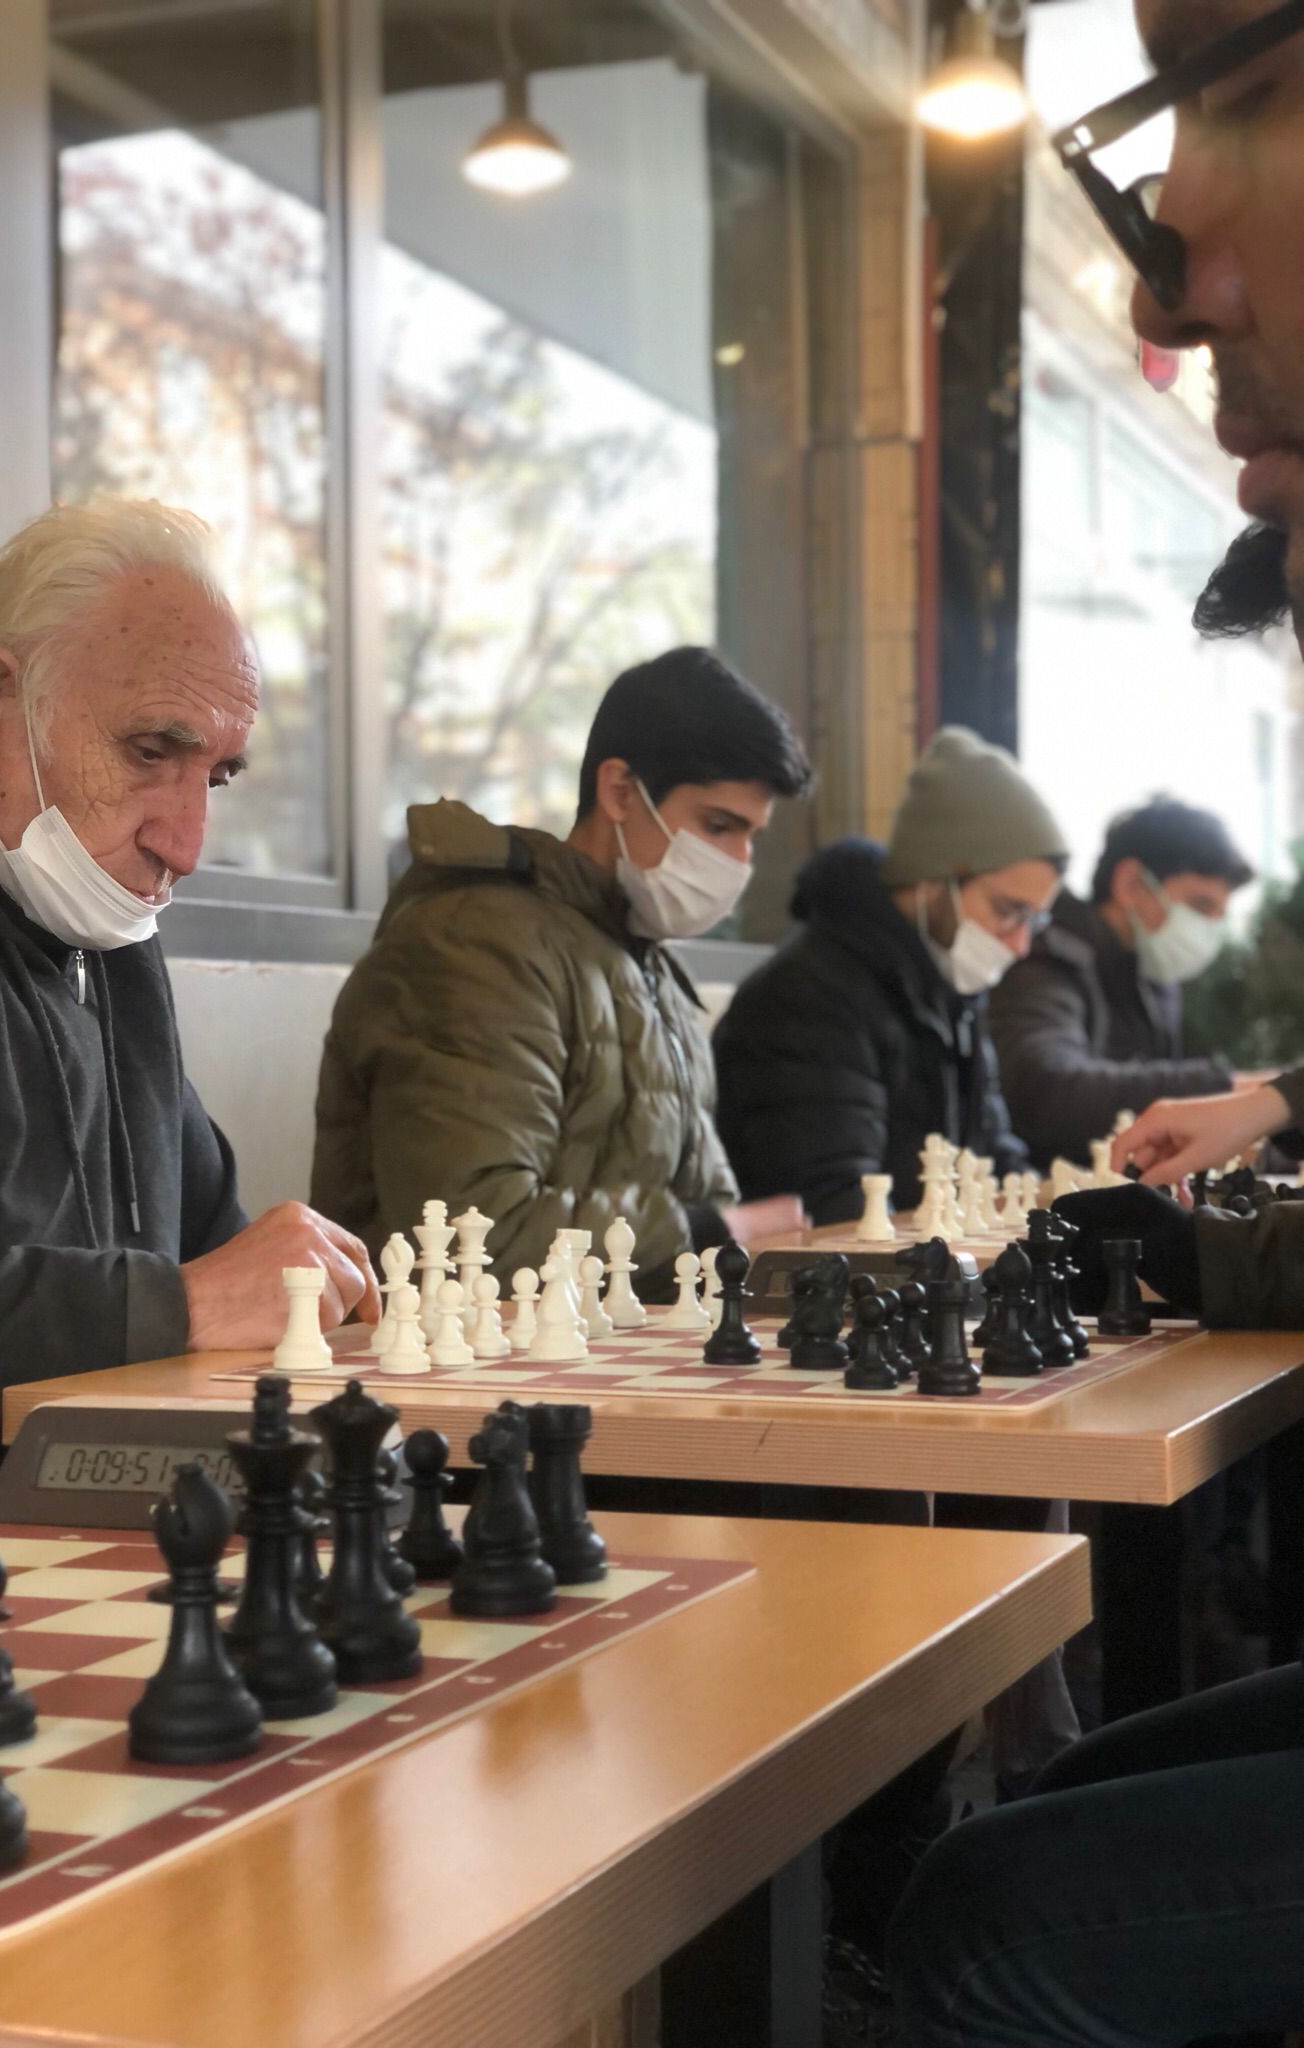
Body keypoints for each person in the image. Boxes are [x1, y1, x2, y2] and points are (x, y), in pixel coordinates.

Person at [891, 4, 1304, 2042]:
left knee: (995, 1916)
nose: (1162, 278)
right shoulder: (936, 980)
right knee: (1049, 1808)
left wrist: (1240, 1183)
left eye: (1237, 84)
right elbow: (1031, 1101)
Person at [0, 498, 375, 1477]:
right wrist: (174, 1307)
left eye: (217, 776)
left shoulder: (92, 910)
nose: (186, 843)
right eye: (150, 751)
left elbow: (220, 1257)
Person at [310, 647, 812, 1289]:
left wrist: (724, 1233)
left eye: (751, 836)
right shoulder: (478, 944)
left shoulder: (649, 967)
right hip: (454, 1347)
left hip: (608, 1338)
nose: (739, 862)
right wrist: (709, 1230)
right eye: (718, 826)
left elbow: (708, 1210)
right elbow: (474, 1235)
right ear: (620, 791)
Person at [713, 726, 1068, 1226]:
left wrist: (1068, 1215)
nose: (1021, 944)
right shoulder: (807, 998)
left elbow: (993, 1161)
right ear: (933, 880)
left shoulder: (948, 990)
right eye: (1009, 911)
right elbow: (833, 1211)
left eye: (1034, 919)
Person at [990, 797, 1252, 1168]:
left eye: (1219, 916)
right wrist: (1232, 1094)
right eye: (1200, 906)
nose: (1208, 929)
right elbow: (1045, 1090)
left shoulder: (1156, 980)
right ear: (1130, 883)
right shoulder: (1043, 957)